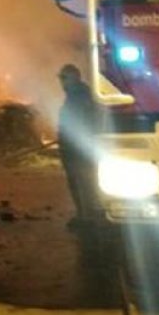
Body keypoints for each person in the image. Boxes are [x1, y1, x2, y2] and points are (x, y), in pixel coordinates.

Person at [56, 64, 101, 227]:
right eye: (61, 78)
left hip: (76, 148)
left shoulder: (79, 96)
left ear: (74, 78)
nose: (61, 82)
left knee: (81, 181)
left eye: (64, 78)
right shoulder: (76, 95)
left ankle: (87, 216)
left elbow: (80, 121)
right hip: (73, 146)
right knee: (80, 181)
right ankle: (85, 214)